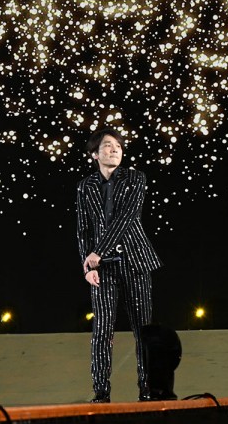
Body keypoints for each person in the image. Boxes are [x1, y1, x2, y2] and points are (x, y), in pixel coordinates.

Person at [76, 127, 161, 403]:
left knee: (143, 330)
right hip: (103, 270)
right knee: (101, 331)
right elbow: (83, 229)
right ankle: (101, 392)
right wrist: (88, 266)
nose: (114, 150)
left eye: (119, 146)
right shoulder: (85, 186)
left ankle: (148, 389)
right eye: (108, 145)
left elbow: (128, 217)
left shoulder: (136, 178)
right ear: (94, 153)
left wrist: (98, 252)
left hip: (135, 262)